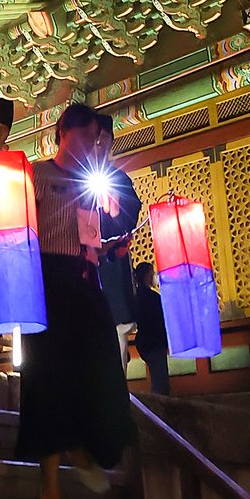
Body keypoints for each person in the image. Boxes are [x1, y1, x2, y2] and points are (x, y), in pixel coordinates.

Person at [17, 103, 135, 499]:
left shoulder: (94, 183)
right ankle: (48, 496)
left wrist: (108, 242)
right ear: (60, 134)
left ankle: (87, 446)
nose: (91, 146)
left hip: (86, 280)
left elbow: (112, 220)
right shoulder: (36, 175)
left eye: (96, 140)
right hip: (45, 280)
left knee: (104, 370)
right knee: (46, 381)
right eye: (83, 137)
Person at [92, 111, 142, 368]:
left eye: (105, 140)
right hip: (85, 261)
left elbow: (130, 213)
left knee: (117, 327)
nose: (100, 145)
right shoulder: (75, 177)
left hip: (112, 260)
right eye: (95, 139)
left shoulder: (118, 178)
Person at [131, 261, 170, 394]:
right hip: (154, 342)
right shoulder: (150, 297)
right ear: (147, 275)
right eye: (152, 273)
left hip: (146, 341)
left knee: (158, 379)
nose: (154, 276)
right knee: (161, 383)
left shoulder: (138, 296)